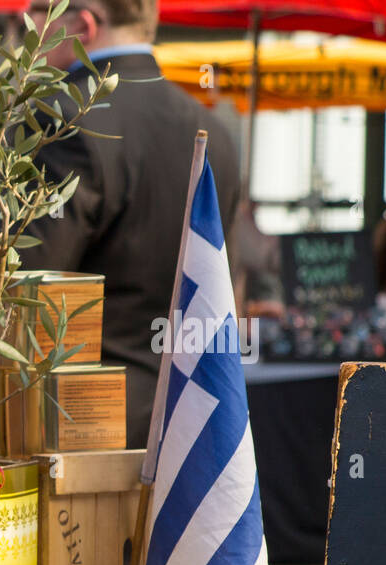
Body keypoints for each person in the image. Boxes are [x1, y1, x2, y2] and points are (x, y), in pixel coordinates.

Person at [14, 0, 242, 448]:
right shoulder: (215, 129)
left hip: (82, 418)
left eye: (39, 11)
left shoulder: (64, 118)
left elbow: (26, 278)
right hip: (193, 420)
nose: (28, 26)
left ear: (82, 24)